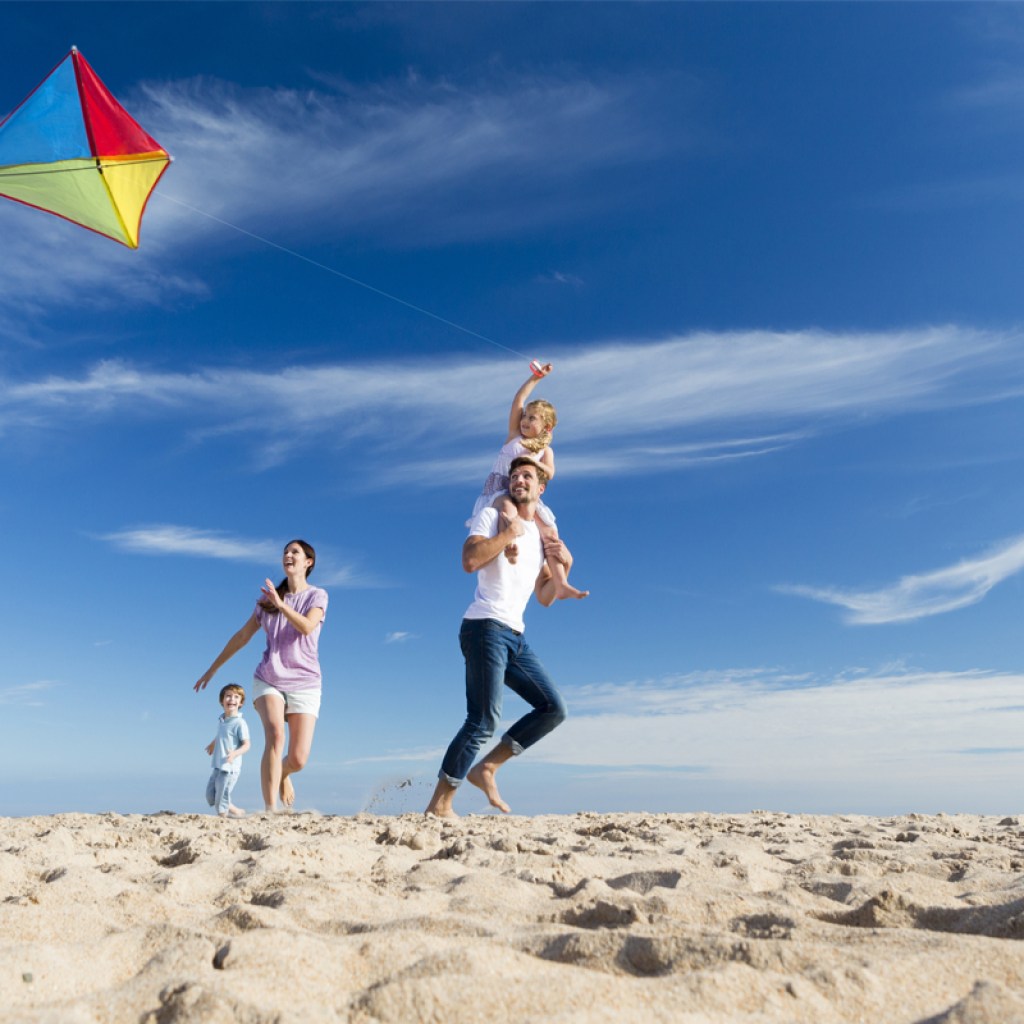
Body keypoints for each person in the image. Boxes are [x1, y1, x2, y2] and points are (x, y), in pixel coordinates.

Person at [426, 456, 573, 818]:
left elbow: (544, 598)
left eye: (527, 475)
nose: (519, 480)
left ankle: (487, 768)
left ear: (542, 487)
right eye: (514, 475)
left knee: (554, 708)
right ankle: (439, 804)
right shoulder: (493, 516)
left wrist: (564, 567)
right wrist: (508, 533)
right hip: (484, 626)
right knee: (482, 720)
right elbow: (469, 559)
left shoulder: (542, 536)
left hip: (515, 636)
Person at [194, 539, 328, 813]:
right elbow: (243, 636)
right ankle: (270, 811)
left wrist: (282, 605)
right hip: (269, 678)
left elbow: (307, 626)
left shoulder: (317, 596)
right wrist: (213, 668)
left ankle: (284, 774)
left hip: (305, 682)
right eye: (285, 552)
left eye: (295, 552)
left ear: (308, 562)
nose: (288, 556)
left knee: (299, 759)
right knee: (275, 735)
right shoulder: (267, 601)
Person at [470, 362, 588, 600]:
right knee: (506, 508)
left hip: (524, 493)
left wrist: (534, 464)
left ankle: (561, 581)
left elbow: (551, 473)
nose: (524, 420)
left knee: (549, 530)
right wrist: (535, 378)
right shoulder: (515, 436)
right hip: (503, 488)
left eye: (531, 418)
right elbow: (518, 400)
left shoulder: (545, 451)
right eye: (524, 416)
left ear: (546, 426)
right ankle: (509, 547)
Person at [204, 683, 251, 818]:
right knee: (210, 797)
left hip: (230, 767)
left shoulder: (240, 723)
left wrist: (235, 754)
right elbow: (222, 734)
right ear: (222, 701)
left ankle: (222, 819)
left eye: (236, 697)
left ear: (240, 702)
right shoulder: (222, 720)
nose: (232, 699)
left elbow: (247, 745)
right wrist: (213, 744)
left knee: (221, 800)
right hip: (218, 764)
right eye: (228, 696)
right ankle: (237, 811)